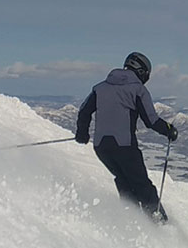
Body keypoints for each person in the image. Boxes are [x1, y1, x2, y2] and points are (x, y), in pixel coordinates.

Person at [75, 51, 178, 221]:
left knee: (123, 181)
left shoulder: (100, 88)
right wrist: (169, 130)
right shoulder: (138, 90)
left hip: (101, 147)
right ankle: (159, 224)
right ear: (142, 72)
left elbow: (84, 111)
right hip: (125, 146)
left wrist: (82, 133)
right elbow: (151, 120)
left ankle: (130, 220)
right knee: (141, 185)